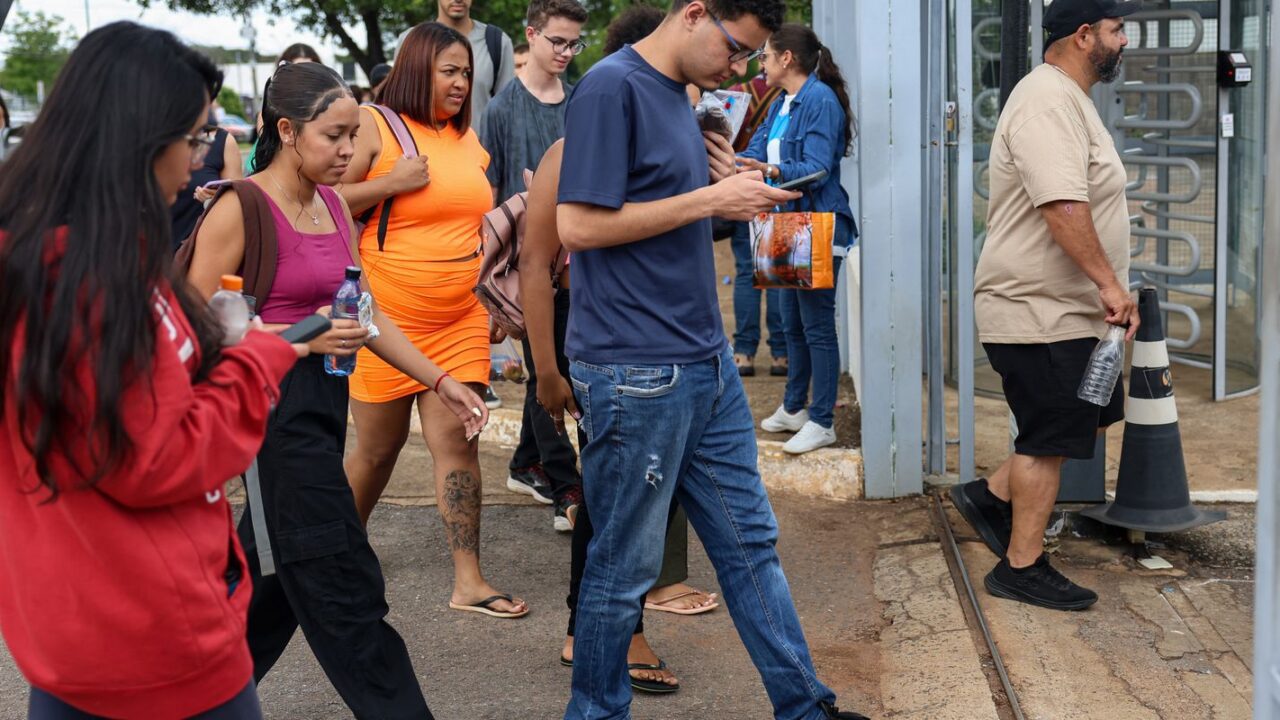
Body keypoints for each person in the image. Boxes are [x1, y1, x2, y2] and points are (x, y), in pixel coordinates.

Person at [555, 1, 868, 718]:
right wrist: (706, 198)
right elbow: (575, 224)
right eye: (734, 50)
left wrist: (729, 195)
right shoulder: (611, 87)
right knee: (625, 567)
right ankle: (595, 711)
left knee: (750, 544)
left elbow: (669, 208)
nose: (738, 69)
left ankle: (804, 706)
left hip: (704, 360)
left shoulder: (678, 96)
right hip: (636, 369)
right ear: (694, 13)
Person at [0, 22, 304, 719]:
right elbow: (159, 456)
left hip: (64, 637)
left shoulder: (37, 263)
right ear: (143, 139)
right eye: (196, 138)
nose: (200, 160)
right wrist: (258, 358)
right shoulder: (104, 281)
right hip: (160, 644)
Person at [188, 61, 489, 718]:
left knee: (265, 590)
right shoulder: (240, 207)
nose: (350, 151)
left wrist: (439, 379)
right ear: (287, 130)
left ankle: (181, 699)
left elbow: (363, 314)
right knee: (348, 592)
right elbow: (190, 331)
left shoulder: (331, 203)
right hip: (270, 420)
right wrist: (296, 339)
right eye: (334, 136)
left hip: (323, 414)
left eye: (355, 134)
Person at [520, 5, 723, 695]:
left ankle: (616, 621)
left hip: (661, 350)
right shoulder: (574, 147)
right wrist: (546, 371)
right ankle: (602, 630)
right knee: (606, 503)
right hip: (597, 347)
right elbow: (537, 265)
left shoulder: (671, 137)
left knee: (641, 500)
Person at [954, 0, 1140, 612]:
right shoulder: (1045, 101)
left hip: (1064, 308)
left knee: (1069, 423)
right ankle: (1021, 566)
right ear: (1085, 36)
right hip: (1038, 308)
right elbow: (1062, 205)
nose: (1124, 41)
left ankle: (990, 499)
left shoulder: (1067, 98)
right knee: (1046, 437)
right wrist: (1112, 287)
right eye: (1117, 30)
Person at [338, 22, 529, 620]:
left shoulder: (466, 138)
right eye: (449, 70)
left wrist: (497, 298)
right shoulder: (376, 125)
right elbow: (322, 204)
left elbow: (481, 222)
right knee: (377, 450)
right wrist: (391, 182)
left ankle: (469, 580)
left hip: (461, 317)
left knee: (457, 443)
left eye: (466, 72)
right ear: (417, 67)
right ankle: (339, 552)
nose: (461, 82)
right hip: (386, 321)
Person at [479, 0, 588, 531]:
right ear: (532, 36)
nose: (567, 52)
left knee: (560, 366)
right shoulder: (500, 110)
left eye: (575, 44)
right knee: (548, 368)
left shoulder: (583, 99)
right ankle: (567, 483)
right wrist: (491, 285)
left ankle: (526, 462)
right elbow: (489, 195)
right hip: (526, 264)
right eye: (558, 41)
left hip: (581, 260)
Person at [739, 24, 857, 455]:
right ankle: (794, 407)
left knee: (817, 326)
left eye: (765, 56)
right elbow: (753, 149)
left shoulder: (820, 100)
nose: (762, 64)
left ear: (787, 57)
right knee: (791, 324)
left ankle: (822, 419)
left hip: (818, 223)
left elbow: (817, 167)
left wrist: (769, 172)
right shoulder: (782, 102)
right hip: (785, 223)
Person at [727, 70, 786, 378]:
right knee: (775, 273)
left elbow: (722, 140)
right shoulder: (787, 96)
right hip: (776, 191)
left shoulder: (737, 93)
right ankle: (780, 355)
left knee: (746, 273)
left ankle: (743, 353)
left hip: (744, 188)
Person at [434, 0, 516, 128]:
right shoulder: (411, 41)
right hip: (421, 144)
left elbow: (508, 112)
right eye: (449, 71)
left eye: (467, 73)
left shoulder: (498, 42)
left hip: (481, 145)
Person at [246, 43, 323, 175]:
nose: (304, 77)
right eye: (297, 70)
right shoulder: (272, 104)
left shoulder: (326, 104)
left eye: (309, 70)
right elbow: (269, 144)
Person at [171, 117, 243, 248]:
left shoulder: (222, 140)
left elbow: (238, 206)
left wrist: (216, 200)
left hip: (200, 252)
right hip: (153, 253)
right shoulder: (152, 137)